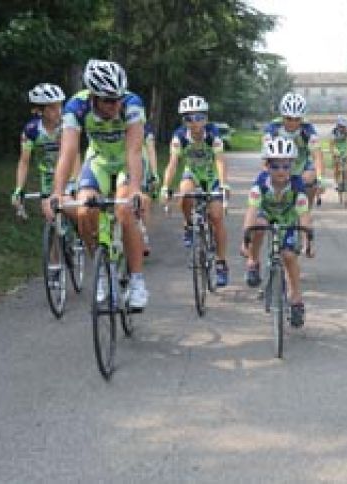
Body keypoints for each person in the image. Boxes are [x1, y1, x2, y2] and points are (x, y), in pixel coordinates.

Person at [44, 59, 149, 309]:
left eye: (118, 98)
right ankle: (102, 270)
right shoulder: (76, 107)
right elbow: (68, 151)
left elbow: (134, 150)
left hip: (126, 162)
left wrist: (135, 189)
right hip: (99, 161)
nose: (116, 105)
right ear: (93, 96)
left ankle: (137, 281)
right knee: (84, 211)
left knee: (125, 210)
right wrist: (57, 192)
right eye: (109, 100)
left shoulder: (132, 104)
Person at [242, 136, 314, 327]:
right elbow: (251, 211)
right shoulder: (260, 184)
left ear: (292, 166)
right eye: (275, 166)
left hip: (287, 219)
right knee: (258, 225)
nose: (281, 171)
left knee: (289, 256)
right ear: (266, 166)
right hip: (266, 214)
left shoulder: (297, 185)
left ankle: (296, 300)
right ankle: (253, 261)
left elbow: (304, 214)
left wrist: (308, 241)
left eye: (286, 166)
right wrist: (245, 240)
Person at [160, 95, 231, 287]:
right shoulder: (180, 137)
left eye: (199, 117)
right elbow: (173, 163)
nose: (194, 122)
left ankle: (221, 263)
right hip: (192, 174)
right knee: (184, 195)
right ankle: (189, 225)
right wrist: (166, 186)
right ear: (184, 121)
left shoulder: (213, 134)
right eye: (188, 118)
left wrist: (224, 184)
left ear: (206, 119)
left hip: (211, 176)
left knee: (216, 217)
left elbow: (220, 160)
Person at [12, 83, 80, 217]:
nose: (59, 111)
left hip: (69, 176)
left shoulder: (67, 125)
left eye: (60, 106)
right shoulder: (31, 130)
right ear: (39, 110)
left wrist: (75, 181)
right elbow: (24, 162)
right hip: (48, 179)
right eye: (52, 108)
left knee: (76, 214)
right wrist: (19, 189)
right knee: (50, 215)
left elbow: (75, 155)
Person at [262, 92, 325, 209]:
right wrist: (266, 175)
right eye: (289, 118)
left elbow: (317, 156)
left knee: (311, 178)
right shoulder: (272, 128)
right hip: (280, 164)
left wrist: (320, 178)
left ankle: (306, 211)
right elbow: (265, 158)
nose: (293, 123)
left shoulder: (308, 129)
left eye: (297, 119)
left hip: (301, 165)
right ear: (282, 116)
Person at [140, 120, 159, 256]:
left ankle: (143, 235)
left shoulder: (144, 126)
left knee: (142, 199)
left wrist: (154, 172)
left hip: (140, 165)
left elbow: (151, 150)